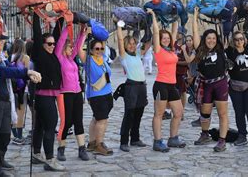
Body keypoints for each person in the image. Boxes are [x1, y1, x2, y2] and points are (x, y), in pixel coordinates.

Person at [0, 36, 41, 175]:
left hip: (8, 97)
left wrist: (25, 76)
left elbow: (10, 69)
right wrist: (27, 72)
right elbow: (6, 71)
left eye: (2, 41)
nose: (1, 43)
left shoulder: (2, 57)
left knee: (5, 135)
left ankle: (0, 160)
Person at [147, 9, 185, 153]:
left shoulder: (170, 49)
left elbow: (174, 30)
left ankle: (173, 138)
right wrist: (154, 16)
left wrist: (177, 15)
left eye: (167, 38)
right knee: (159, 114)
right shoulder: (158, 50)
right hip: (161, 85)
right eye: (163, 38)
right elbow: (156, 33)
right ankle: (157, 141)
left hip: (172, 85)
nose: (166, 39)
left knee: (178, 112)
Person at [30, 13, 65, 171]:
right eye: (49, 44)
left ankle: (37, 153)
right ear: (42, 44)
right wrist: (36, 15)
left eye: (53, 43)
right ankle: (50, 159)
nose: (52, 46)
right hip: (44, 97)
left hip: (47, 97)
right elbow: (37, 35)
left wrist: (62, 18)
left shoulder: (52, 55)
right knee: (50, 127)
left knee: (40, 126)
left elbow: (56, 34)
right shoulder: (39, 54)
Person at [193, 8, 229, 152]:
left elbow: (226, 30)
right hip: (206, 85)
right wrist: (195, 16)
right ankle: (205, 134)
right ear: (204, 40)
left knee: (222, 114)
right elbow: (195, 33)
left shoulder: (221, 50)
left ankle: (222, 141)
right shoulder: (200, 51)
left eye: (213, 38)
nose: (211, 40)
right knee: (205, 113)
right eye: (209, 38)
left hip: (220, 84)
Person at [224, 13, 248, 149]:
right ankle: (242, 135)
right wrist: (230, 18)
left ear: (244, 40)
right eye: (236, 39)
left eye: (241, 39)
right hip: (234, 87)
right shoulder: (230, 52)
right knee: (239, 112)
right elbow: (225, 35)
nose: (239, 41)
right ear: (233, 41)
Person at [55, 23, 89, 161]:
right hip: (65, 93)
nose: (72, 49)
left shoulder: (71, 59)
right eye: (69, 47)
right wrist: (67, 25)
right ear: (64, 48)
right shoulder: (59, 57)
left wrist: (83, 32)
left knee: (78, 121)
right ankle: (61, 149)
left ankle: (82, 149)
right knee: (66, 121)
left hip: (77, 93)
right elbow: (61, 41)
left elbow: (78, 46)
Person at [116, 21, 151, 152]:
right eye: (129, 44)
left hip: (142, 86)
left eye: (133, 43)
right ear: (125, 45)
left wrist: (149, 28)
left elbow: (149, 43)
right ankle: (124, 141)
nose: (131, 46)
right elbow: (119, 39)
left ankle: (135, 138)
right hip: (131, 87)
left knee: (139, 114)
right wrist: (119, 27)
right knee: (129, 114)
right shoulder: (124, 56)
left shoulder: (137, 54)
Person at [78, 37, 114, 156]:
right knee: (102, 120)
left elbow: (103, 36)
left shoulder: (103, 58)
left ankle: (92, 143)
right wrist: (83, 34)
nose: (99, 50)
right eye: (96, 49)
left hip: (107, 93)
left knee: (96, 118)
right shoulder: (88, 60)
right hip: (97, 95)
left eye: (101, 48)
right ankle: (100, 144)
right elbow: (79, 48)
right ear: (91, 50)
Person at [10, 39, 30, 145]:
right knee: (21, 112)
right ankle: (19, 136)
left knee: (13, 111)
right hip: (22, 89)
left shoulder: (10, 57)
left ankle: (15, 135)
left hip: (12, 88)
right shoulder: (25, 57)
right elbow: (27, 73)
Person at [175, 33, 194, 119]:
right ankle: (175, 111)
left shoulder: (185, 47)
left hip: (182, 72)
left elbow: (187, 61)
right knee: (174, 93)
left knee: (182, 92)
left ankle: (181, 112)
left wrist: (176, 62)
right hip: (173, 72)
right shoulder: (174, 44)